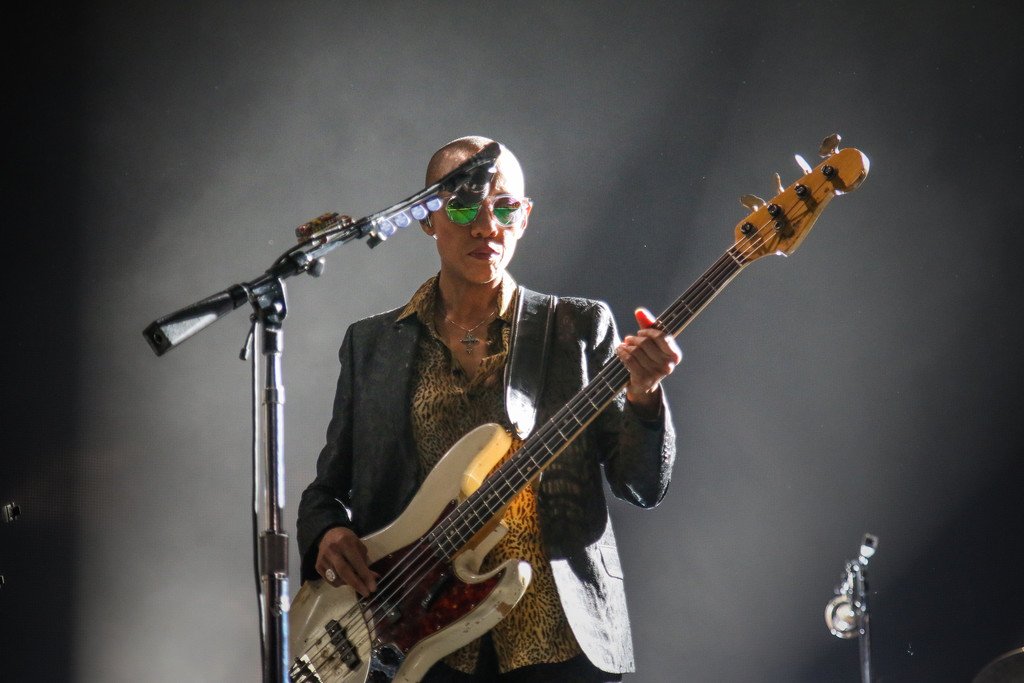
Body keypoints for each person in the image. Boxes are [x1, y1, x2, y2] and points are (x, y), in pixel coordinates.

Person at [296, 136, 681, 682]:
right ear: (427, 218)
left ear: (524, 218)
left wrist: (645, 394)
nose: (485, 226)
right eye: (462, 206)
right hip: (417, 647)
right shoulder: (373, 344)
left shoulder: (576, 327)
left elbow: (641, 485)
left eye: (504, 208)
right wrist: (328, 534)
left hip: (558, 644)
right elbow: (326, 492)